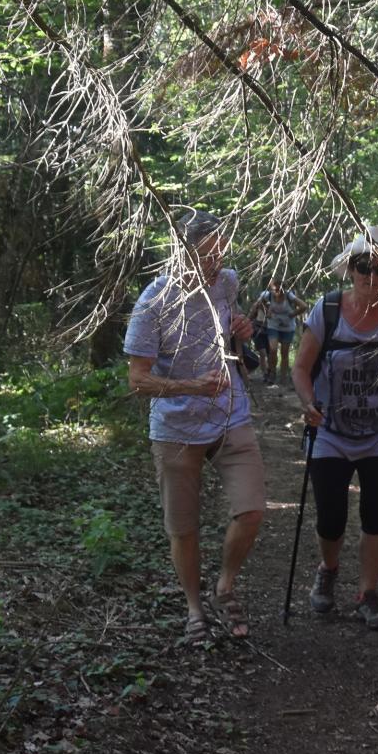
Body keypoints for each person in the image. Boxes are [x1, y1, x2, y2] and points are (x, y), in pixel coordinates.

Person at [124, 210, 265, 644]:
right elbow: (137, 379)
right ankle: (194, 609)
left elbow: (232, 331)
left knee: (252, 508)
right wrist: (191, 385)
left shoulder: (227, 283)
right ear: (182, 252)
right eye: (208, 254)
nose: (216, 261)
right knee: (182, 526)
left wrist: (243, 329)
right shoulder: (153, 301)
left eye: (221, 251)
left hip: (230, 414)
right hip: (175, 428)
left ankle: (225, 584)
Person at [292, 224, 378, 631]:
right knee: (331, 516)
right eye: (365, 267)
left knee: (375, 515)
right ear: (350, 269)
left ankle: (369, 594)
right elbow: (301, 367)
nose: (373, 276)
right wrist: (307, 404)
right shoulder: (327, 309)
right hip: (330, 430)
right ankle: (328, 569)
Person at [257, 276, 308, 386]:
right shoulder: (268, 295)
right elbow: (259, 304)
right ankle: (272, 373)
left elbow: (304, 306)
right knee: (273, 349)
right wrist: (267, 313)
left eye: (279, 289)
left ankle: (283, 377)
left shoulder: (289, 296)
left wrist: (292, 314)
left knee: (284, 352)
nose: (277, 292)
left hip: (287, 326)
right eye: (274, 289)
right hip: (273, 325)